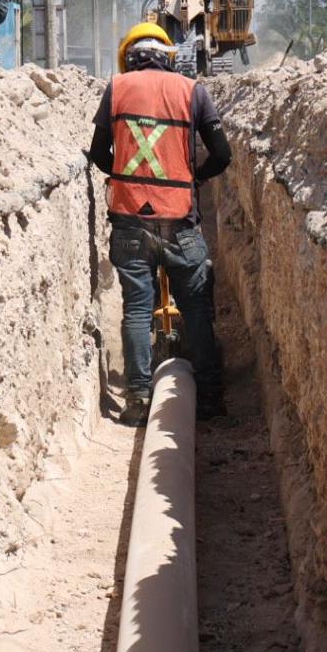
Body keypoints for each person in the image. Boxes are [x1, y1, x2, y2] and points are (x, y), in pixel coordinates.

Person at [87, 23, 233, 426]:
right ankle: (209, 401)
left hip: (131, 219)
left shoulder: (117, 88)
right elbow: (222, 154)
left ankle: (137, 399)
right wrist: (193, 178)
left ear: (130, 58)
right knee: (197, 308)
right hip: (180, 219)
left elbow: (101, 153)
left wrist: (126, 179)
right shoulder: (192, 91)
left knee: (137, 307)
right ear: (170, 56)